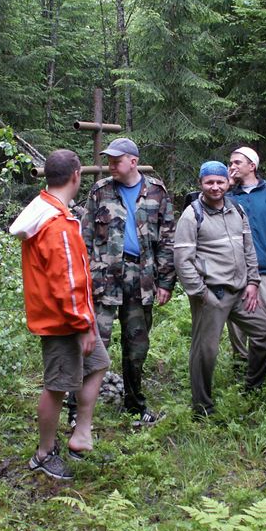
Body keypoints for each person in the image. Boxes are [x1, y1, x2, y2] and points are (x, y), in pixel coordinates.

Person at [9, 150, 110, 480]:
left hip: (75, 317)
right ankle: (43, 453)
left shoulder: (53, 213)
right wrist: (83, 325)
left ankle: (81, 434)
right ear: (76, 176)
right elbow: (67, 281)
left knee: (97, 364)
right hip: (64, 321)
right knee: (57, 386)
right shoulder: (57, 225)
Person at [79, 137, 176, 426]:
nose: (110, 166)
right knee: (94, 346)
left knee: (137, 348)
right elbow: (84, 239)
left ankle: (134, 404)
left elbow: (168, 239)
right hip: (104, 280)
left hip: (141, 279)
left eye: (115, 161)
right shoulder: (100, 191)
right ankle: (77, 410)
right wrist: (82, 281)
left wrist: (166, 282)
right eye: (108, 160)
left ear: (132, 162)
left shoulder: (157, 192)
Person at [174, 161, 266, 419]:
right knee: (205, 351)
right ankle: (202, 407)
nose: (215, 187)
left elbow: (248, 249)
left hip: (240, 292)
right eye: (210, 182)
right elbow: (182, 260)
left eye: (220, 181)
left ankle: (253, 387)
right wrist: (201, 292)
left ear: (228, 182)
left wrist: (253, 282)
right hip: (211, 294)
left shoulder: (236, 210)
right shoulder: (192, 214)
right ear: (201, 184)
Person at [225, 146, 266, 371]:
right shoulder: (226, 195)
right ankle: (242, 364)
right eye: (231, 163)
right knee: (236, 321)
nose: (232, 166)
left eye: (237, 163)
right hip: (234, 269)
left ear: (252, 166)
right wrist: (227, 185)